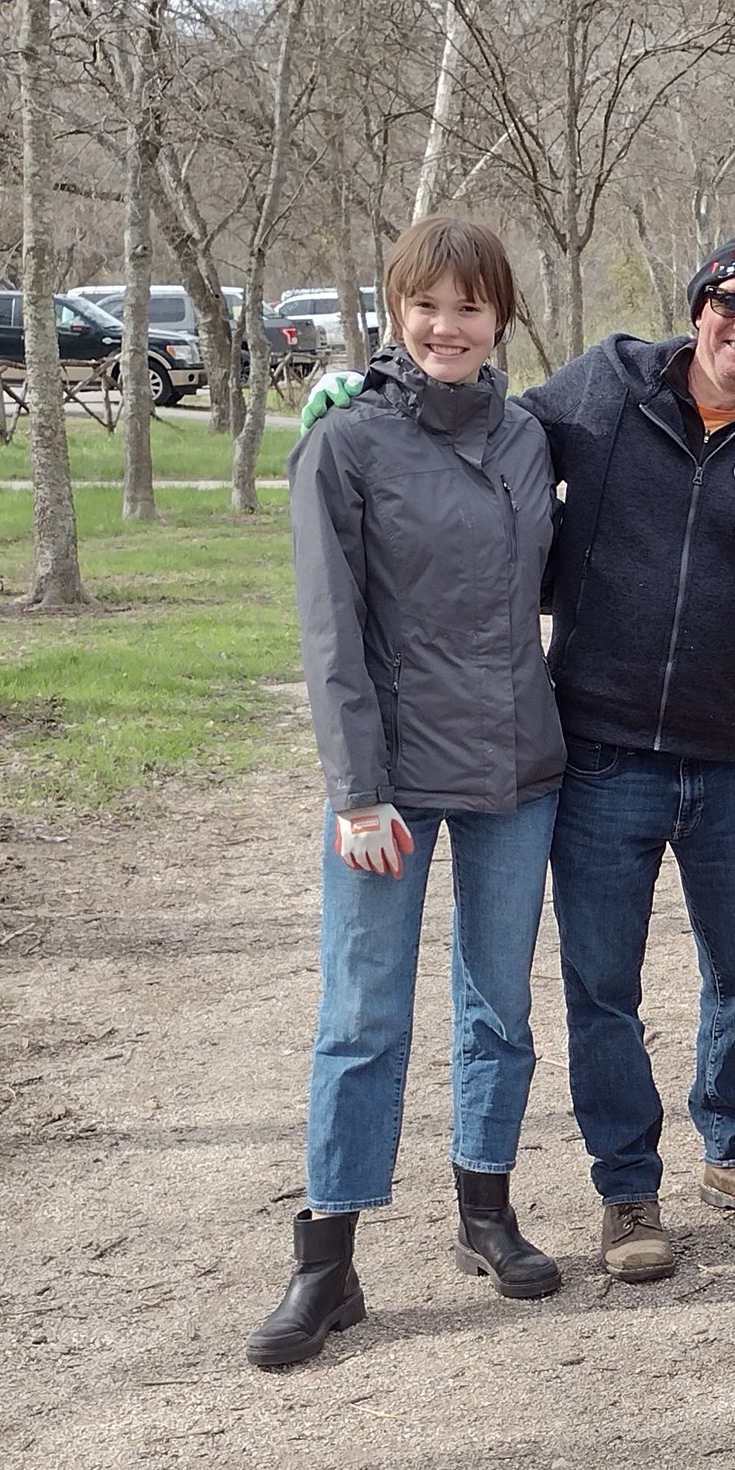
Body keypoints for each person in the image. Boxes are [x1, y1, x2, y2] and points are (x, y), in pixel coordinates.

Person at [295, 232, 735, 1283]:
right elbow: (478, 419)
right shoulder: (605, 387)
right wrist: (369, 392)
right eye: (726, 302)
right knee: (600, 983)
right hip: (602, 747)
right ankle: (627, 1191)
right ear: (696, 303)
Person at [253, 217, 564, 1368]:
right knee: (363, 1013)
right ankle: (326, 1261)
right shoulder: (345, 442)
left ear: (500, 319)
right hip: (386, 781)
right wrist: (355, 791)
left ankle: (486, 1211)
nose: (448, 326)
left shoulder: (532, 436)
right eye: (426, 304)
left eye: (470, 306)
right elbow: (329, 631)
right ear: (395, 310)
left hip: (518, 768)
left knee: (499, 1008)